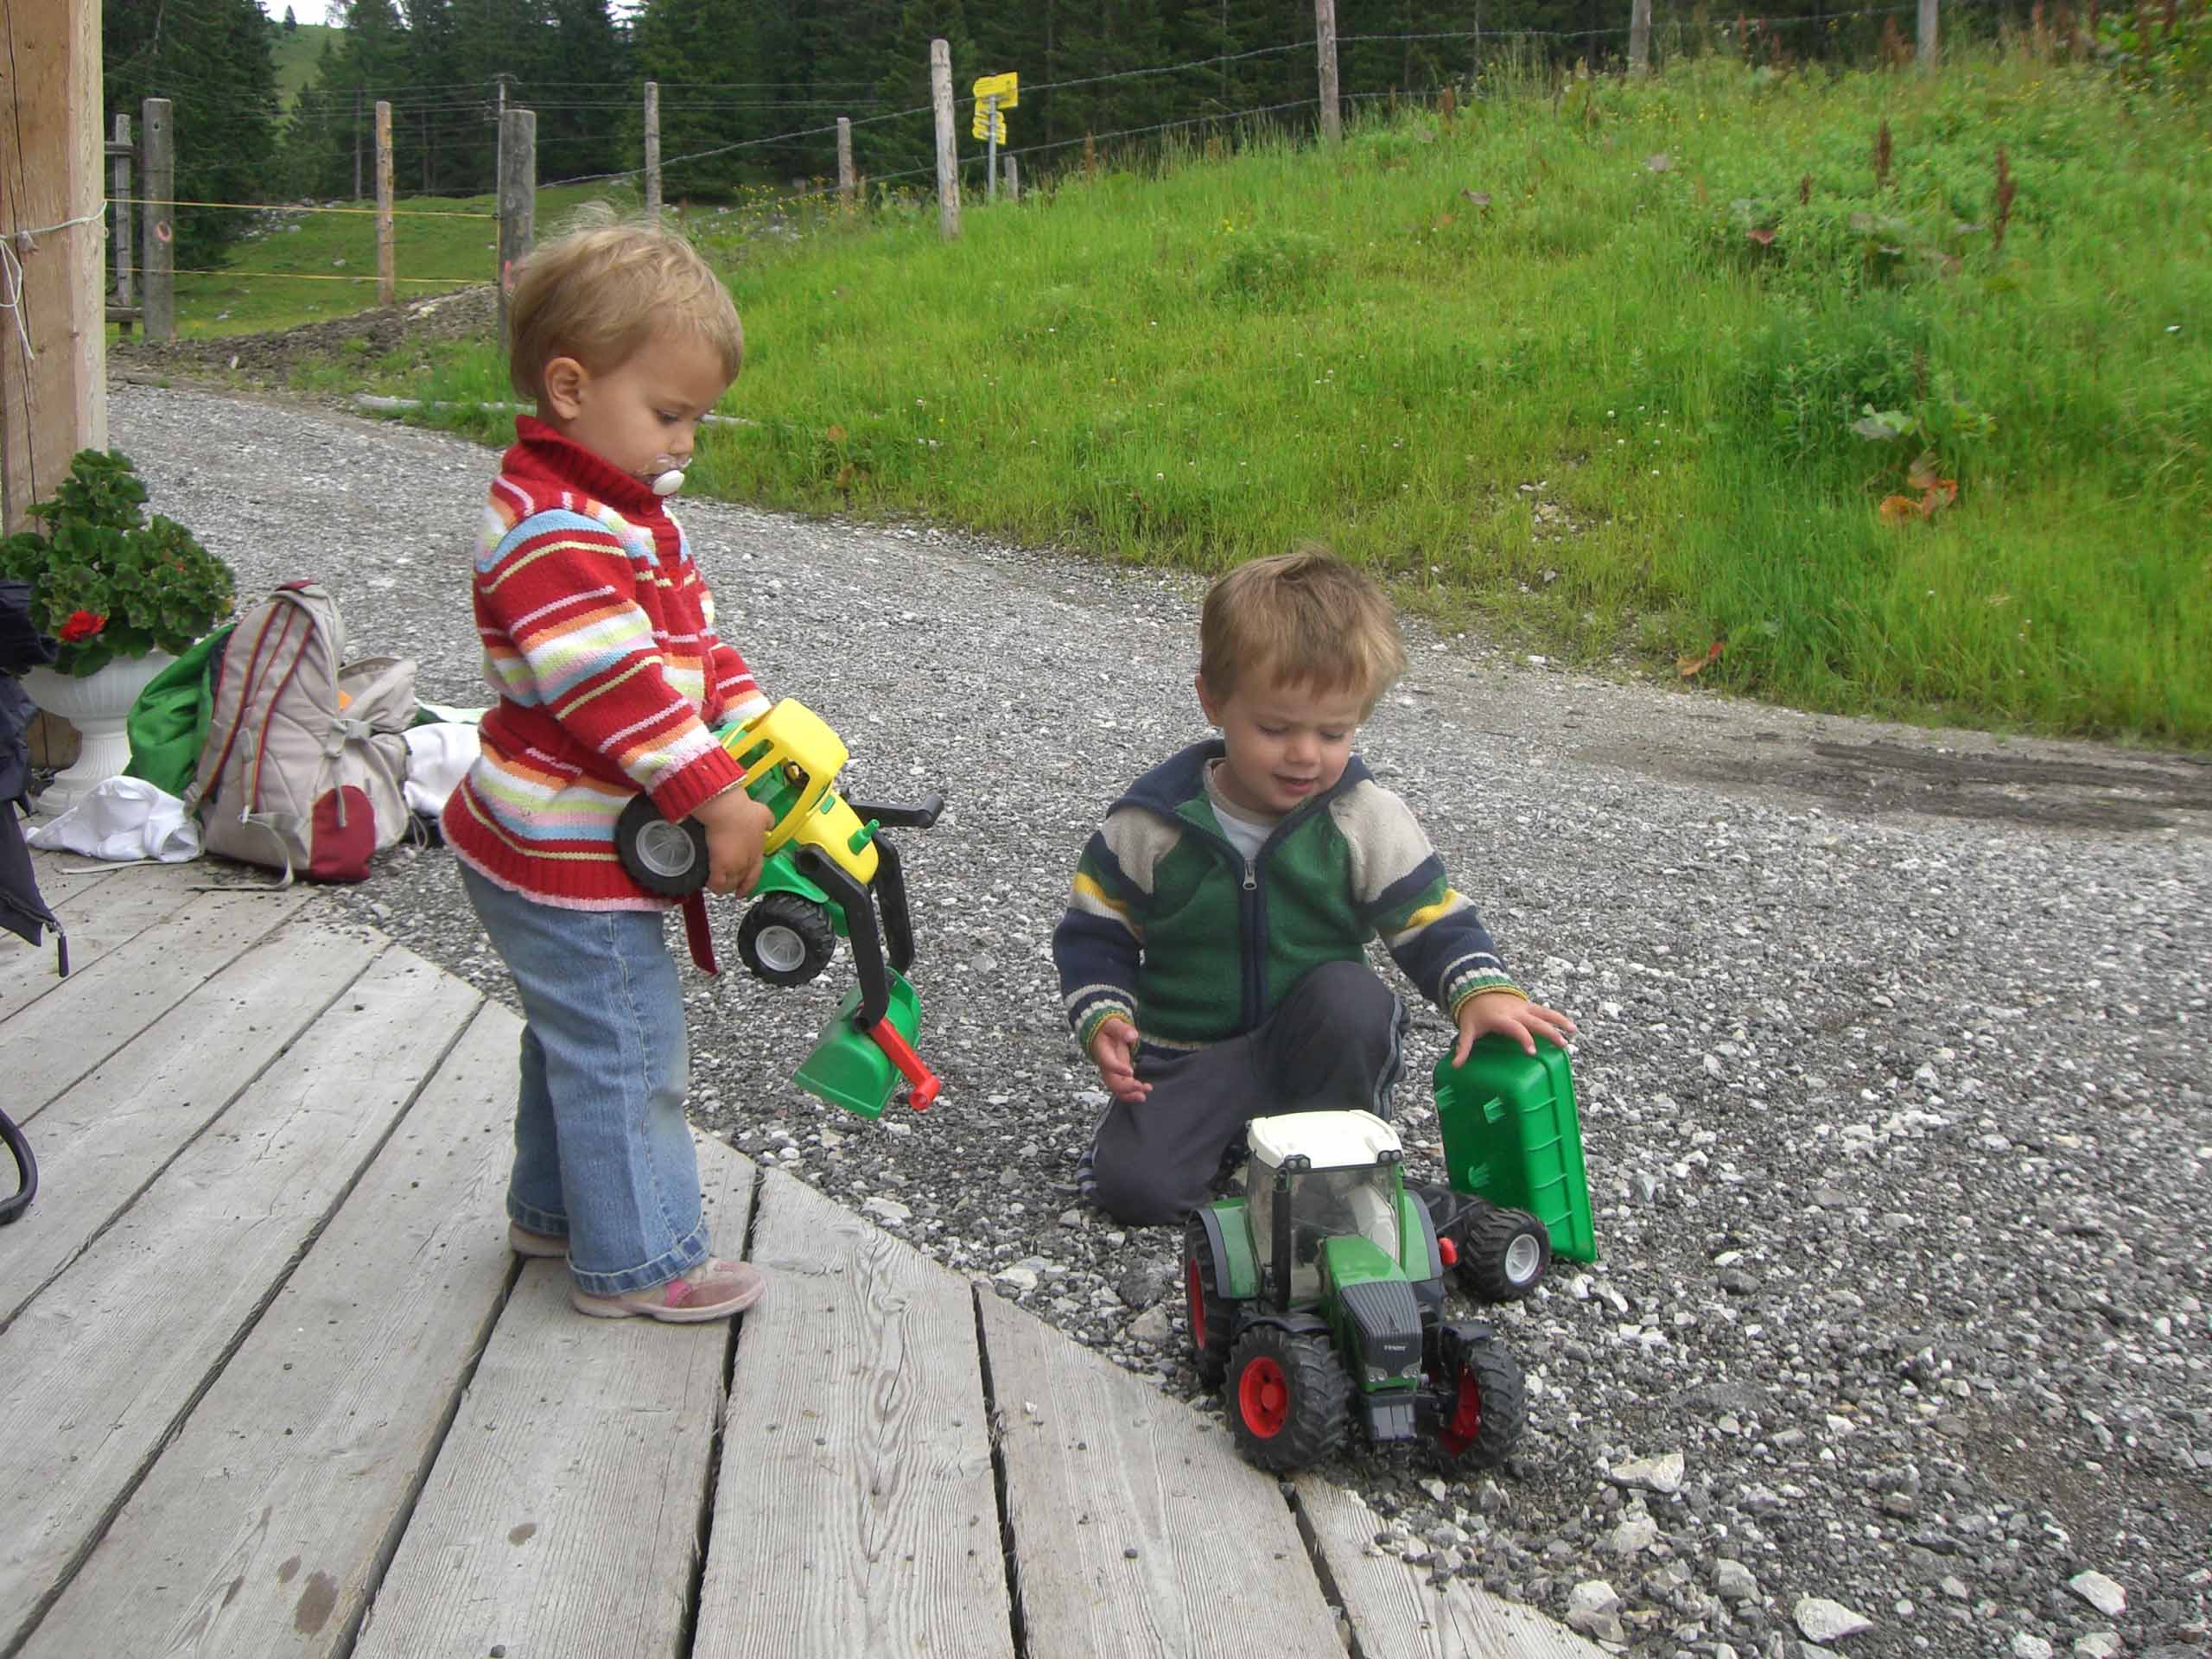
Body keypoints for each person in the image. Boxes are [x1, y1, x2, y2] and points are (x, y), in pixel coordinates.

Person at [442, 210, 774, 1322]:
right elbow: (613, 689)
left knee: (573, 1036)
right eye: (669, 413)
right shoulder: (554, 534)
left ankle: (551, 1210)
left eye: (698, 418)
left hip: (555, 845)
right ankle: (642, 1261)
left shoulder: (625, 513)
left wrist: (748, 721)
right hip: (565, 854)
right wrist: (713, 792)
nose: (686, 441)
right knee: (627, 1046)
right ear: (572, 387)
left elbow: (687, 647)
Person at [1052, 548, 1576, 1226]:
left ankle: (1338, 1155)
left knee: (1353, 998)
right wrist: (1105, 1016)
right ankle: (1224, 1151)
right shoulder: (1151, 824)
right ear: (1213, 699)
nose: (1306, 755)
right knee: (1135, 1196)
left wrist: (1482, 990)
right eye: (1275, 728)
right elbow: (1097, 932)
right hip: (1189, 1057)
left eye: (1335, 732)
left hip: (1314, 1046)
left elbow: (1432, 917)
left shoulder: (1362, 817)